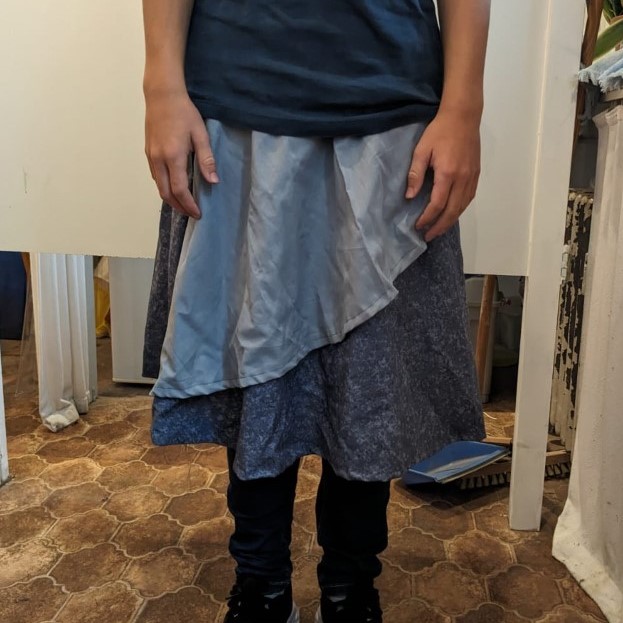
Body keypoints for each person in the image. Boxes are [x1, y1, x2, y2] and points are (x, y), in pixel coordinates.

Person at [141, 1, 491, 622]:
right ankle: (262, 587)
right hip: (238, 100)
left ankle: (351, 587)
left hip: (389, 109)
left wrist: (464, 108)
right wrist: (161, 85)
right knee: (253, 373)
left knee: (368, 383)